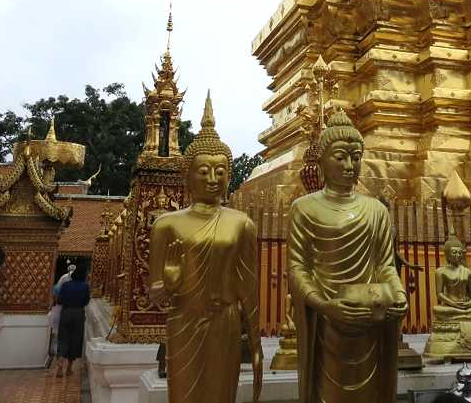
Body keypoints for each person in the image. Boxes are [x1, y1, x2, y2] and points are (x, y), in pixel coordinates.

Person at [147, 92, 262, 403]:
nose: (213, 179)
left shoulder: (241, 223)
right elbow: (153, 294)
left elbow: (249, 286)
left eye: (221, 172)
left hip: (224, 321)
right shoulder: (167, 224)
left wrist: (256, 342)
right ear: (187, 175)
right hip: (182, 320)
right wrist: (168, 285)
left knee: (221, 394)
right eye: (203, 171)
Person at [287, 110, 407, 403]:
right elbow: (297, 268)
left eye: (356, 157)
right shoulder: (304, 208)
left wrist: (399, 294)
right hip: (326, 325)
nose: (350, 165)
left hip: (371, 321)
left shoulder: (376, 210)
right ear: (321, 162)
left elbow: (384, 265)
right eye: (340, 157)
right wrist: (324, 304)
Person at [54, 265, 90, 377]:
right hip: (79, 313)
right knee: (75, 339)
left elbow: (59, 300)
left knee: (63, 336)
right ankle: (69, 368)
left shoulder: (66, 285)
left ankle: (60, 362)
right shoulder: (85, 287)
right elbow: (86, 301)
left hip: (66, 312)